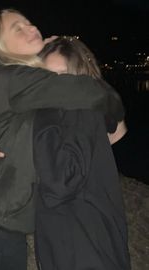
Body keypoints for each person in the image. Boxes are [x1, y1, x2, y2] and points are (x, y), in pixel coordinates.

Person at [0, 8, 125, 270]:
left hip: (16, 231)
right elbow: (84, 89)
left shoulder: (39, 92)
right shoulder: (11, 77)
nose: (30, 28)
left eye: (29, 22)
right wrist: (114, 109)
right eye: (17, 29)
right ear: (0, 49)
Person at [32, 36, 131, 270]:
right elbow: (118, 132)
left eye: (62, 76)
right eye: (47, 77)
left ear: (79, 76)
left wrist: (42, 112)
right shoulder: (81, 110)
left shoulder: (80, 110)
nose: (55, 85)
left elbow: (60, 182)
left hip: (83, 242)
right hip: (82, 236)